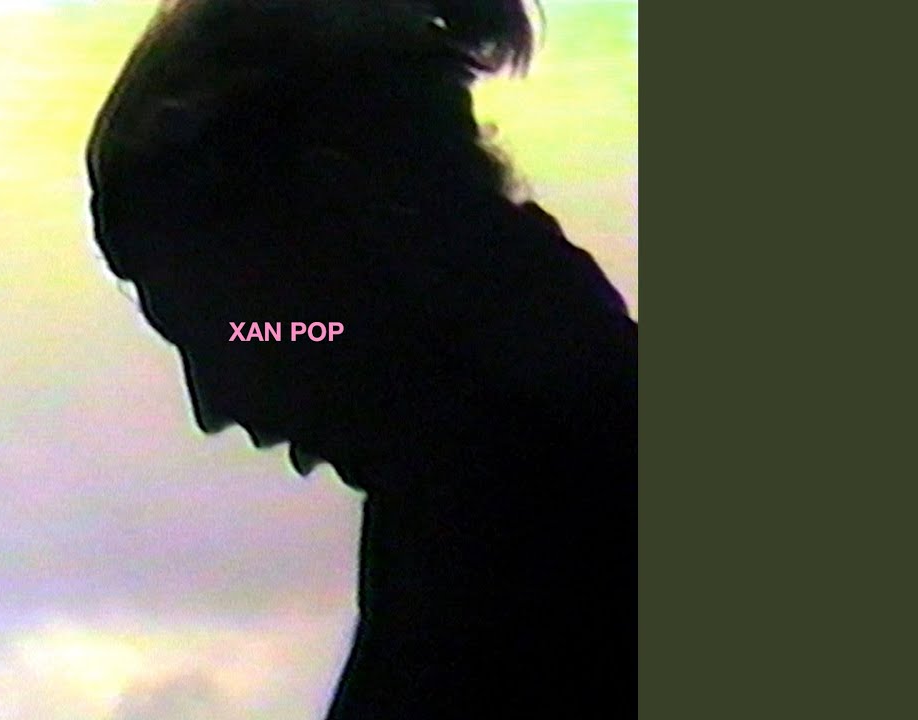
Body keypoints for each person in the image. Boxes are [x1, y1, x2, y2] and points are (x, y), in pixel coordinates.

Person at [86, 1, 636, 716]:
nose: (216, 405)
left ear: (341, 219)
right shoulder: (486, 488)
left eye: (230, 332)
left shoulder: (528, 518)